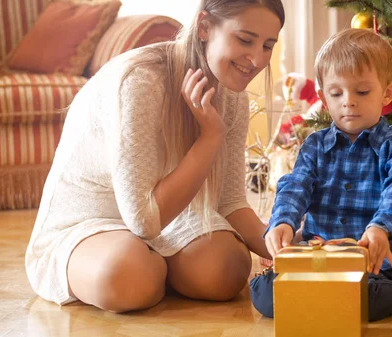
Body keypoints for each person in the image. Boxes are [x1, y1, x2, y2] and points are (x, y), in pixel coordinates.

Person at [25, 0, 284, 314]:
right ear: (204, 27)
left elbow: (229, 202)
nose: (256, 59)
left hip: (171, 217)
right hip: (92, 219)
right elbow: (143, 222)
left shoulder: (231, 92)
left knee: (227, 270)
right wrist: (210, 137)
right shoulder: (140, 82)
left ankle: (159, 267)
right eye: (245, 40)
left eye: (268, 46)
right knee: (127, 276)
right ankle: (152, 268)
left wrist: (291, 252)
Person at [259, 28, 392, 321]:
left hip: (373, 268)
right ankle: (327, 301)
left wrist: (380, 228)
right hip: (319, 264)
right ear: (323, 96)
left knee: (366, 299)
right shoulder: (314, 145)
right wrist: (282, 221)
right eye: (337, 93)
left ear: (387, 93)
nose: (348, 101)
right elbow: (296, 185)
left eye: (362, 91)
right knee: (262, 293)